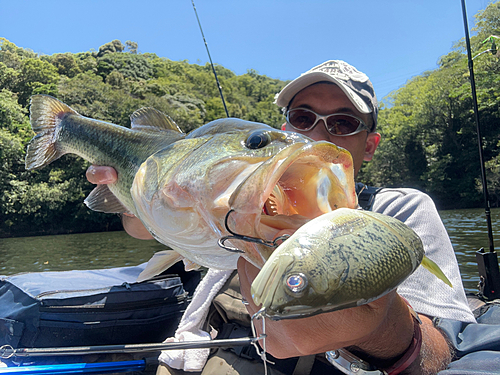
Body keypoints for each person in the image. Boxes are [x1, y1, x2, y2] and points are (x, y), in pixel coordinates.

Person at [87, 60, 476, 375]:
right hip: (218, 351)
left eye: (343, 123)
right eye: (304, 118)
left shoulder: (400, 210)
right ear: (284, 127)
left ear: (369, 145)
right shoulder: (234, 198)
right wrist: (134, 199)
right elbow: (144, 228)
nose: (320, 135)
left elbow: (440, 350)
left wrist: (383, 333)